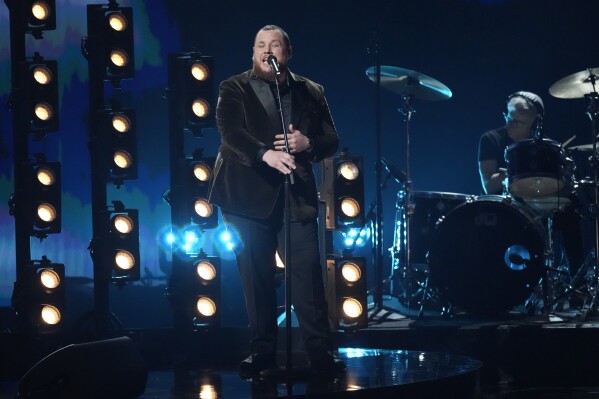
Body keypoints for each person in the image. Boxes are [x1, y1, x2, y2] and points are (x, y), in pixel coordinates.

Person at [208, 24, 345, 377]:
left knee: (307, 277)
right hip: (245, 194)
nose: (267, 50)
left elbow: (331, 137)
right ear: (253, 54)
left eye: (275, 45)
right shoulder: (234, 86)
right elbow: (230, 132)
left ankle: (320, 354)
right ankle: (262, 352)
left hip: (294, 194)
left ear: (288, 53)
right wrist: (264, 154)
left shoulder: (310, 90)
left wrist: (308, 143)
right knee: (257, 277)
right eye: (260, 45)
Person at [477, 91, 587, 297]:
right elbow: (488, 187)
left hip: (540, 203)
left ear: (534, 123)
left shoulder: (544, 146)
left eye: (518, 121)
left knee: (571, 212)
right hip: (506, 206)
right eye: (508, 117)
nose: (510, 123)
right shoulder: (490, 139)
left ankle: (577, 287)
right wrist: (516, 168)